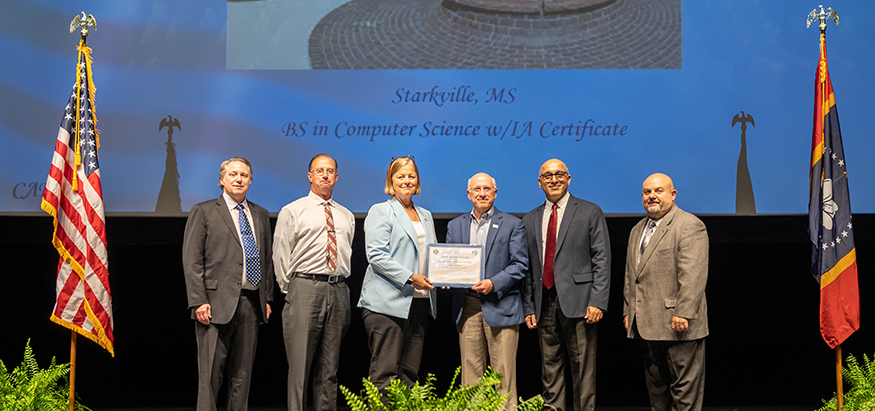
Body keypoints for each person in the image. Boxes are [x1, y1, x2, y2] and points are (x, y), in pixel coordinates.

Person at [182, 157, 274, 411]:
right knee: (211, 376)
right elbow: (192, 260)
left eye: (244, 175)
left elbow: (266, 260)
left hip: (250, 303)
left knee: (242, 376)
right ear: (222, 180)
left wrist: (266, 298)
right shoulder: (204, 211)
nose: (239, 179)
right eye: (233, 174)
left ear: (250, 180)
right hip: (213, 305)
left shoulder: (260, 214)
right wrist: (198, 300)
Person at [521, 158, 611, 411]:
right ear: (540, 183)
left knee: (583, 369)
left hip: (581, 303)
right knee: (550, 368)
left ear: (569, 179)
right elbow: (528, 269)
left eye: (559, 174)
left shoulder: (590, 211)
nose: (554, 179)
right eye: (547, 176)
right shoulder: (530, 219)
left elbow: (602, 260)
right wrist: (529, 306)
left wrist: (597, 301)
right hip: (544, 303)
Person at [273, 154, 355, 411]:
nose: (325, 175)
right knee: (300, 368)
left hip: (339, 289)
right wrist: (293, 289)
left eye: (330, 171)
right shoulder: (292, 210)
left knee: (329, 369)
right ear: (310, 176)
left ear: (337, 176)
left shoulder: (346, 215)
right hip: (305, 287)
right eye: (319, 170)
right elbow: (280, 255)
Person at [623, 173, 708, 411]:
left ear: (673, 194)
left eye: (658, 191)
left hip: (678, 324)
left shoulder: (689, 225)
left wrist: (684, 312)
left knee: (684, 393)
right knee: (658, 392)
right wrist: (629, 312)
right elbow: (632, 277)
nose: (652, 196)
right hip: (646, 324)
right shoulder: (637, 230)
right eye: (647, 192)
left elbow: (693, 275)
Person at [446, 172, 528, 408]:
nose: (482, 194)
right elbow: (450, 263)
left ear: (495, 192)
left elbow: (520, 265)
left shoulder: (513, 224)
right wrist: (447, 278)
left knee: (503, 378)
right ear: (468, 194)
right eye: (477, 190)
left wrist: (494, 282)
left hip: (501, 305)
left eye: (487, 189)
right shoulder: (455, 225)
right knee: (471, 379)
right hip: (467, 306)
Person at [357, 156, 437, 392]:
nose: (407, 180)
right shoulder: (380, 211)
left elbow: (431, 255)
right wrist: (412, 277)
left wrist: (441, 277)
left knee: (409, 375)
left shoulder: (426, 215)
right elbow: (376, 255)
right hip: (387, 304)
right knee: (385, 375)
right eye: (400, 176)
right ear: (391, 180)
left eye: (411, 176)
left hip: (419, 303)